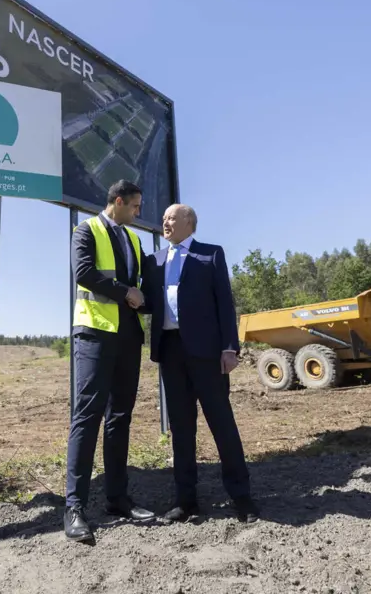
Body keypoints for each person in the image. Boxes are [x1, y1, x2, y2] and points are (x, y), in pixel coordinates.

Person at [143, 203, 258, 523]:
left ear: (189, 223)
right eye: (164, 218)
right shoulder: (154, 260)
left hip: (207, 353)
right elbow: (148, 301)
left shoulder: (211, 254)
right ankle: (185, 500)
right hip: (170, 351)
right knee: (181, 428)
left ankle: (241, 496)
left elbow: (225, 303)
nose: (165, 222)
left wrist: (229, 348)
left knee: (221, 423)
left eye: (171, 218)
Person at [63, 180, 155, 541]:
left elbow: (145, 287)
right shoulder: (85, 231)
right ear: (118, 201)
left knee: (120, 418)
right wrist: (126, 292)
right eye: (135, 206)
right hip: (94, 335)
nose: (138, 212)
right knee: (87, 417)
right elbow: (84, 273)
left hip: (128, 338)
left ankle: (117, 499)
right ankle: (74, 507)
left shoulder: (133, 239)